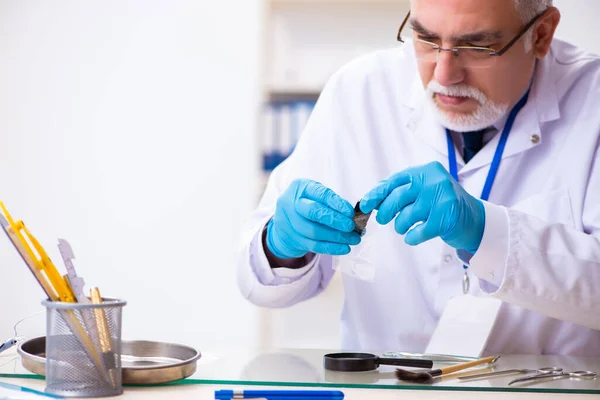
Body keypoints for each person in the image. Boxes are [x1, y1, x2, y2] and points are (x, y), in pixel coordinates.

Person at [236, 0, 600, 356]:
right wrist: (281, 247)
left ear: (541, 34)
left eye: (476, 45)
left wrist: (488, 233)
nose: (444, 75)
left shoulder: (592, 99)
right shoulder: (359, 91)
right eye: (425, 39)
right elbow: (260, 286)